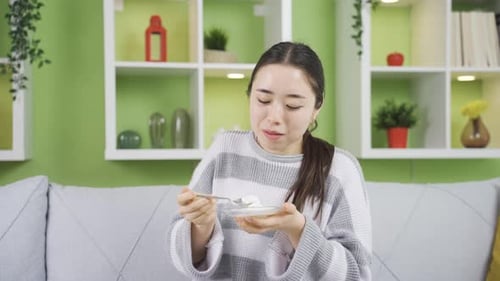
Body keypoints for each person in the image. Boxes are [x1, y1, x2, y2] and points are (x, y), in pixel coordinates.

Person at [167, 41, 372, 281]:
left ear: (317, 107)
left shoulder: (339, 170)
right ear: (249, 95)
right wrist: (200, 226)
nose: (274, 117)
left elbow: (358, 275)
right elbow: (178, 253)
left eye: (292, 105)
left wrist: (299, 230)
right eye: (263, 100)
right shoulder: (224, 150)